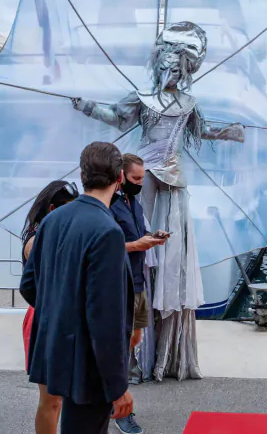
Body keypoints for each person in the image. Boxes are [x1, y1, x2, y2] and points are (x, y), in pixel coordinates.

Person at [72, 21, 245, 381]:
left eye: (175, 67)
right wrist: (87, 107)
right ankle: (135, 347)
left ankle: (165, 353)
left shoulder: (189, 103)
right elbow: (116, 117)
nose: (169, 72)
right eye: (165, 65)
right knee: (143, 248)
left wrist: (229, 131)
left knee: (171, 257)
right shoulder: (142, 98)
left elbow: (201, 130)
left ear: (184, 70)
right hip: (145, 179)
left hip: (175, 184)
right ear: (158, 65)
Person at [20, 142, 135, 434]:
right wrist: (117, 385)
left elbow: (29, 286)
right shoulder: (108, 231)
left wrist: (62, 320)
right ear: (119, 177)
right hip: (89, 364)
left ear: (83, 176)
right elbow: (105, 318)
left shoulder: (51, 221)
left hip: (54, 346)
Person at [111, 153, 168, 434]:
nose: (140, 183)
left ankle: (113, 393)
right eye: (136, 179)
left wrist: (152, 236)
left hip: (137, 281)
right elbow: (107, 245)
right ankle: (120, 407)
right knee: (121, 348)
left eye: (142, 179)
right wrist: (136, 245)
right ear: (121, 177)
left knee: (135, 337)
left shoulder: (133, 202)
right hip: (120, 283)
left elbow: (137, 234)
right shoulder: (109, 204)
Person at [20, 180, 79, 434]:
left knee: (65, 398)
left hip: (61, 316)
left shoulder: (53, 234)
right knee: (51, 399)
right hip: (44, 317)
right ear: (54, 209)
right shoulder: (36, 241)